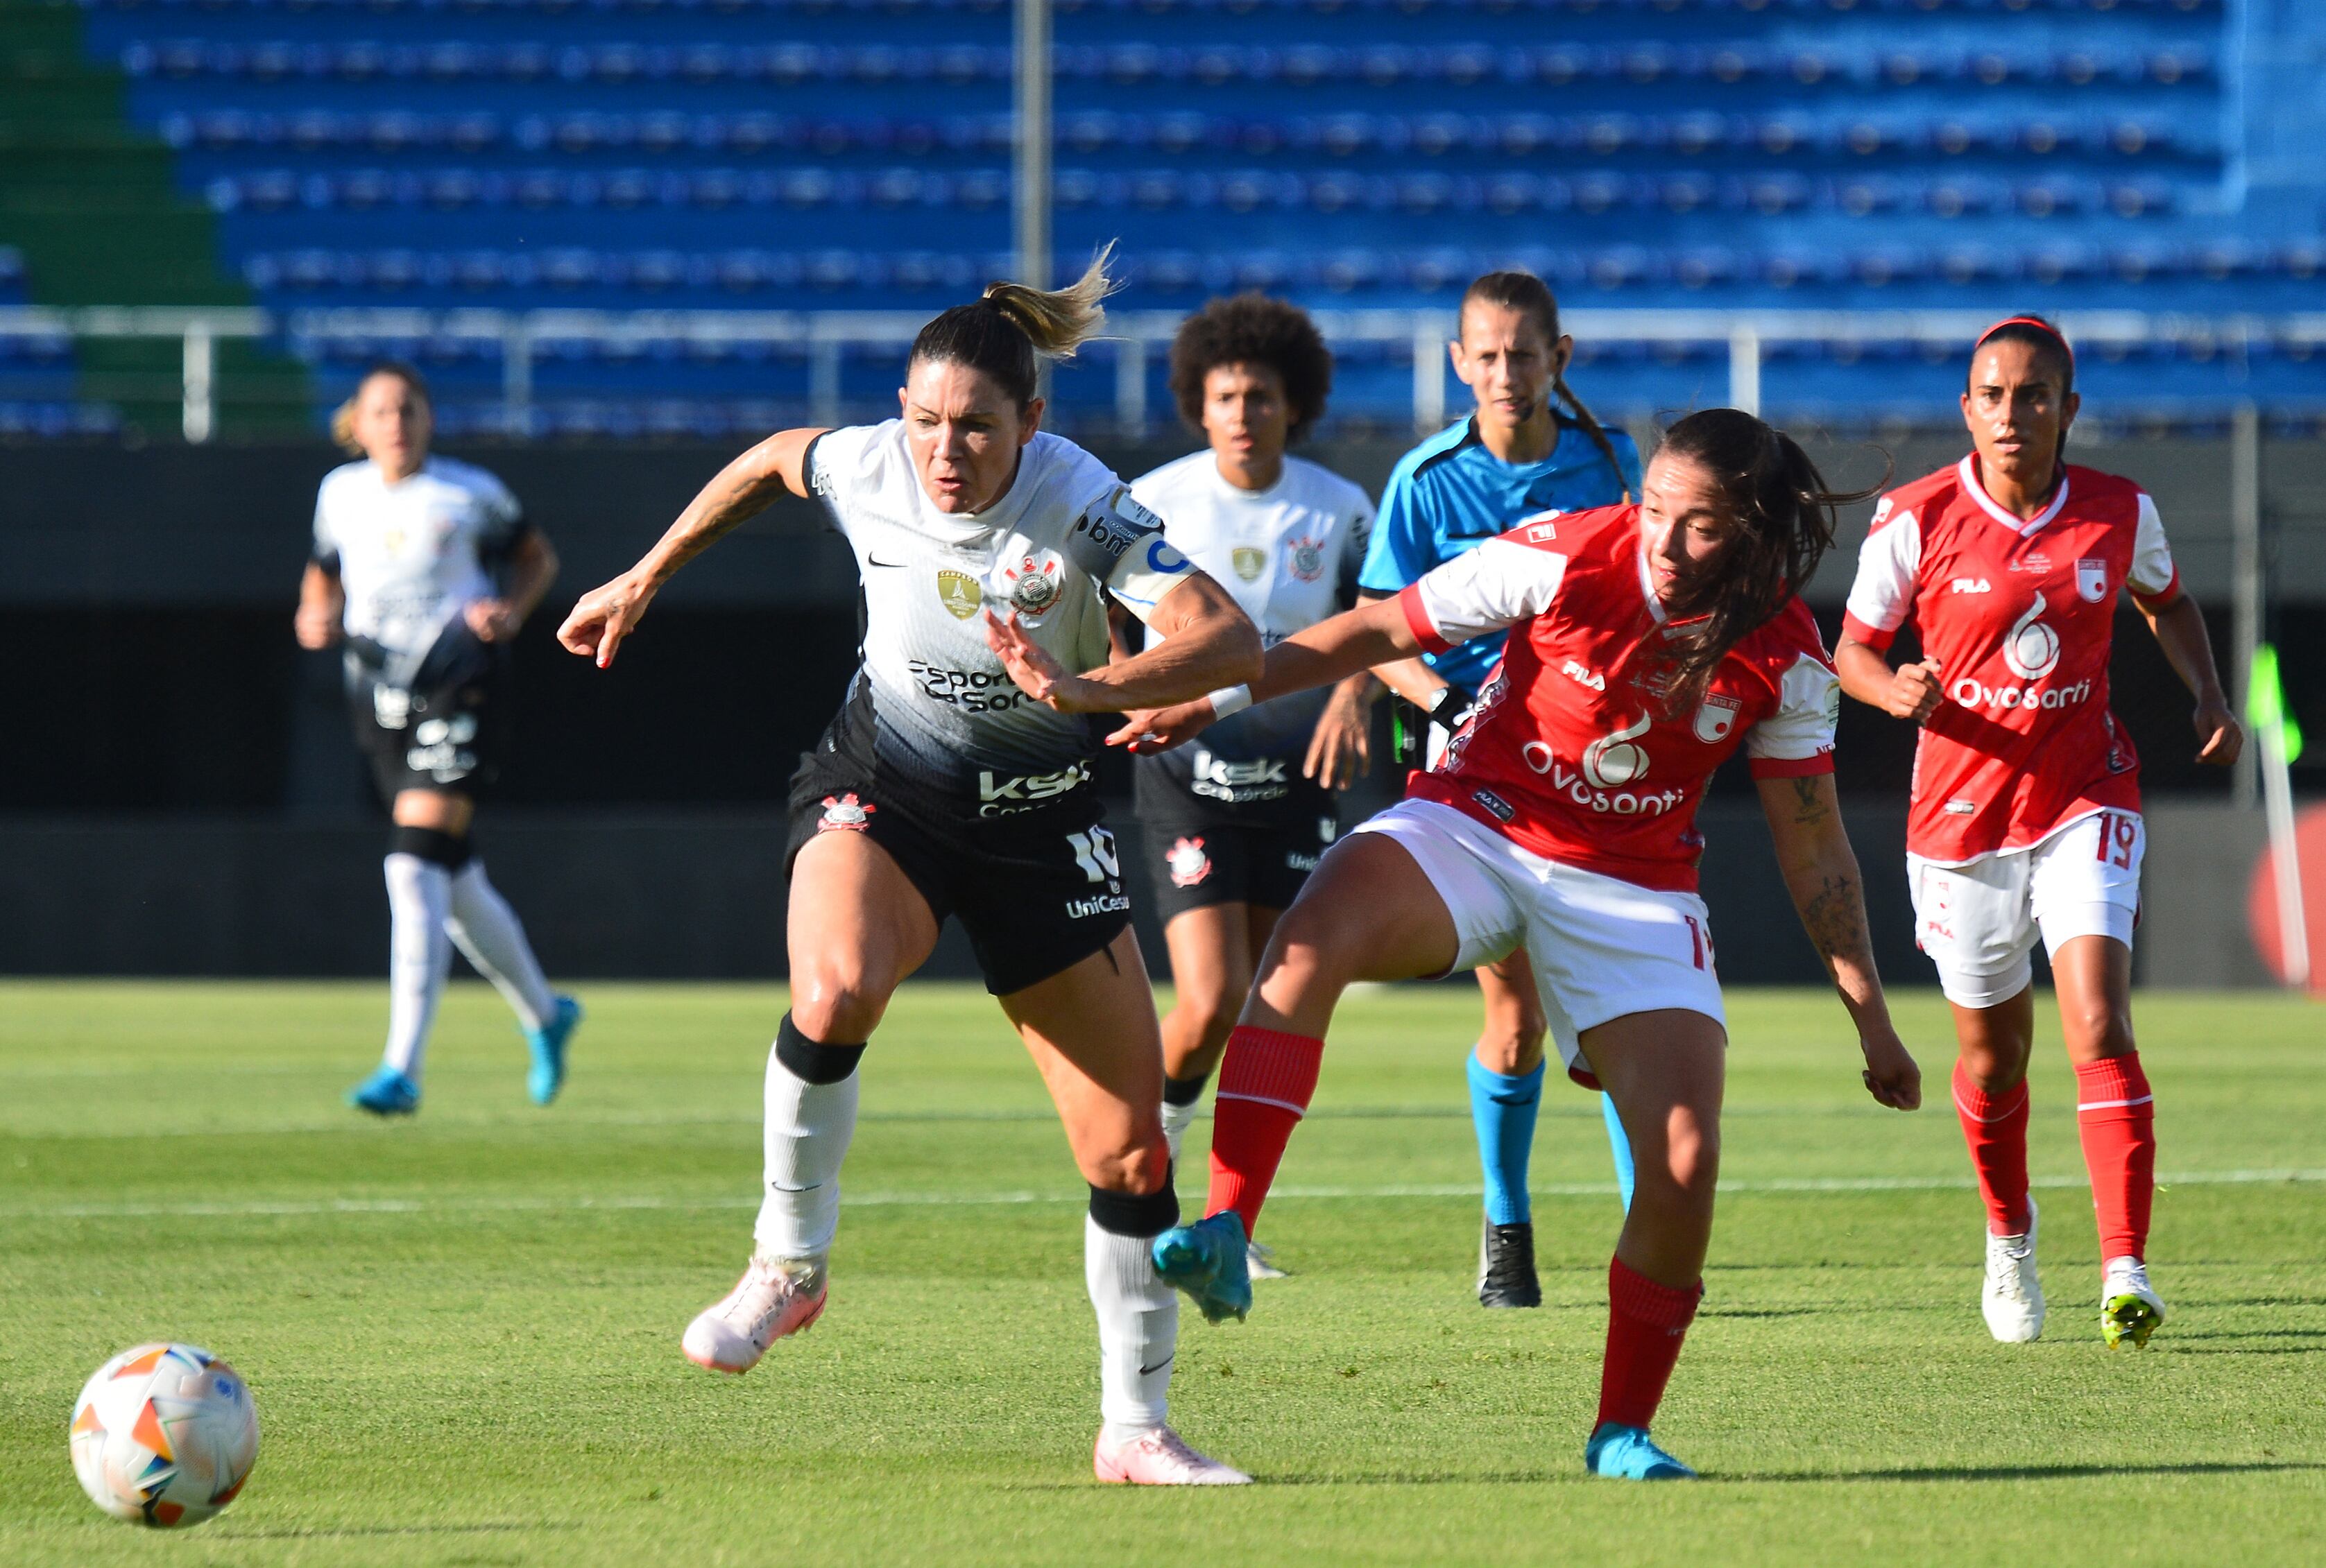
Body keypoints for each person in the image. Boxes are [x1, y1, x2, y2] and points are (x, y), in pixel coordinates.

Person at [1090, 408, 1924, 1481]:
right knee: (1309, 939)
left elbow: (1812, 843)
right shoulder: (1566, 550)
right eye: (1656, 512)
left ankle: (1621, 1429)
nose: (1665, 545)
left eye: (1700, 526)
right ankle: (1224, 1228)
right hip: (1477, 823)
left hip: (1635, 885)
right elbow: (1378, 629)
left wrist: (1873, 1020)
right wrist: (1217, 690)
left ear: (1754, 533)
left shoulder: (1785, 653)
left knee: (1685, 1161)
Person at [555, 254, 1265, 1485]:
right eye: (926, 422)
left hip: (1041, 824)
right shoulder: (870, 461)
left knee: (1133, 1156)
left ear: (1032, 422)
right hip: (886, 783)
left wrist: (1092, 688)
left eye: (976, 428)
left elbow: (1225, 635)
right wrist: (644, 573)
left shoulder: (1083, 504)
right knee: (832, 990)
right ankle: (788, 1262)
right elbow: (773, 458)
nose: (946, 453)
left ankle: (1134, 1431)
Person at [1835, 316, 2241, 1350]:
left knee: (2097, 1019)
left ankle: (2125, 1266)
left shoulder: (2118, 511)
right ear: (1965, 408)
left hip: (2083, 792)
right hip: (1962, 817)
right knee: (1994, 1058)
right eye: (1992, 395)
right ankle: (2010, 1235)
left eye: (2032, 395)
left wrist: (2206, 692)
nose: (2011, 413)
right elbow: (1851, 652)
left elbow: (2169, 600)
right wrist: (1894, 692)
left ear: (2068, 407)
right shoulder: (1915, 516)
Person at [1356, 270, 1645, 1308]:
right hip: (1473, 773)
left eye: (1523, 353)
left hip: (1592, 767)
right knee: (1515, 1010)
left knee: (1618, 1010)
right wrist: (1444, 705)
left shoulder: (1613, 468)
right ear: (1456, 363)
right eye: (1485, 354)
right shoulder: (1426, 479)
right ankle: (1506, 1229)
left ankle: (1643, 1236)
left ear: (1559, 358)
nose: (1504, 372)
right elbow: (1381, 628)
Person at [1123, 295, 1376, 1280]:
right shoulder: (1155, 499)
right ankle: (1146, 1169)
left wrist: (1356, 693)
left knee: (1268, 1005)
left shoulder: (1338, 507)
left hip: (1296, 779)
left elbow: (1375, 617)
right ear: (1198, 401)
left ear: (1293, 404)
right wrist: (1115, 689)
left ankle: (1228, 1220)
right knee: (1213, 992)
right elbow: (1105, 601)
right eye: (1224, 394)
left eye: (1260, 395)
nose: (1241, 411)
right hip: (1186, 777)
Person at [295, 361, 583, 1117]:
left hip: (463, 678)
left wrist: (512, 612)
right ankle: (548, 1014)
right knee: (452, 883)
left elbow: (536, 559)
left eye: (409, 409)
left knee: (411, 861)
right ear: (355, 423)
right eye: (381, 411)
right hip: (380, 694)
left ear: (429, 419)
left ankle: (402, 1067)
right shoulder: (339, 494)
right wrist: (312, 614)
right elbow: (322, 576)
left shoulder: (469, 492)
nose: (396, 423)